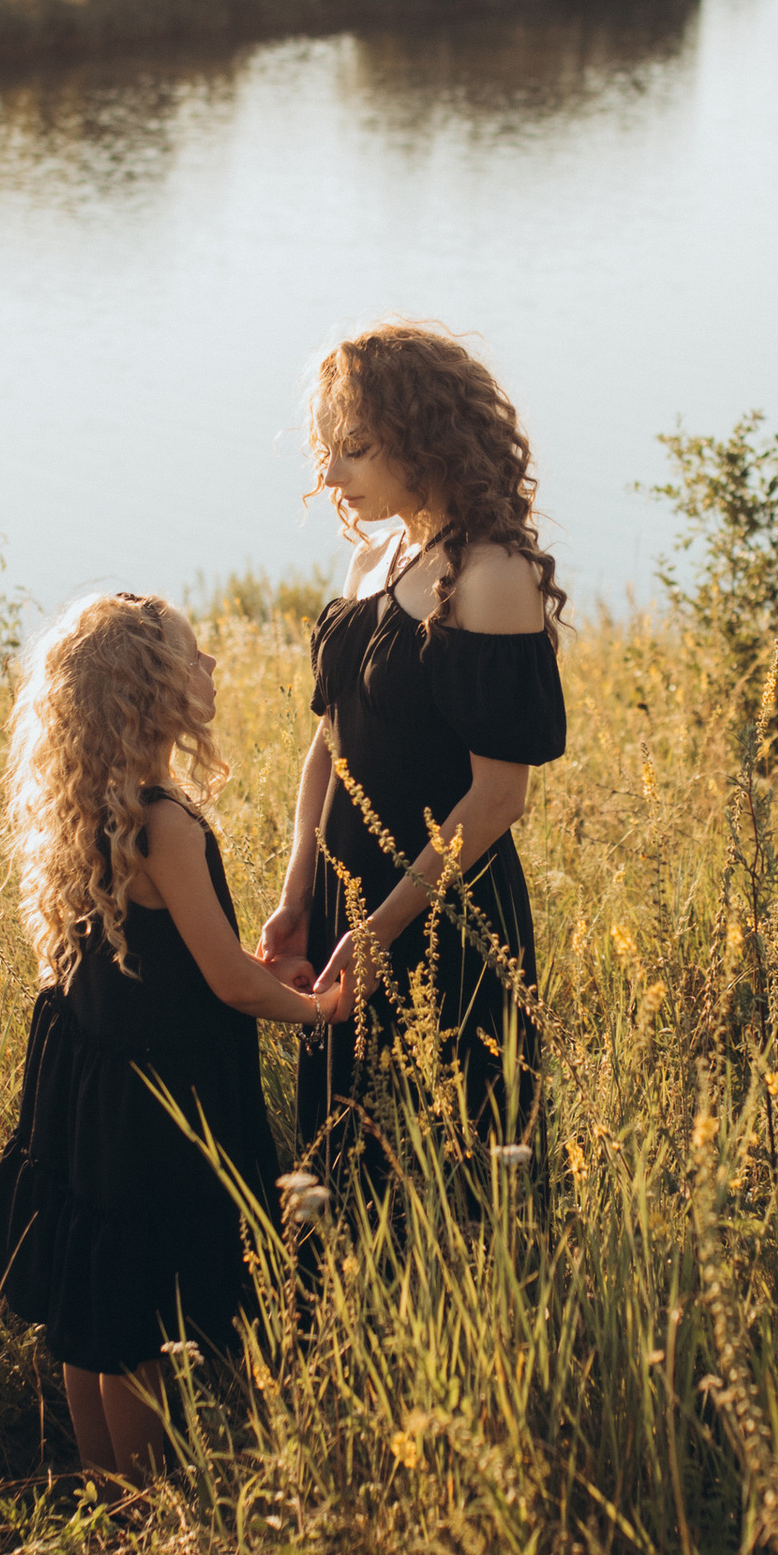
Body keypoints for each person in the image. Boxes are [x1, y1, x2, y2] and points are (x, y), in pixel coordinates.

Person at [0, 590, 341, 1493]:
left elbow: (174, 959)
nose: (212, 669)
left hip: (91, 1081)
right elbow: (226, 978)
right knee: (143, 1322)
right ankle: (144, 1508)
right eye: (194, 659)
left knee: (97, 1307)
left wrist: (266, 979)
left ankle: (105, 1489)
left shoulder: (86, 804)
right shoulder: (165, 823)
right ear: (149, 693)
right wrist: (322, 1008)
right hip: (159, 1098)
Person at [258, 323, 568, 1189]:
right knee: (343, 1162)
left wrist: (382, 928)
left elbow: (499, 797)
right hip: (345, 902)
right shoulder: (372, 558)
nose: (330, 476)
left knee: (455, 1167)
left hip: (445, 915)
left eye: (353, 450)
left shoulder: (489, 574)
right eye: (326, 451)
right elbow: (331, 743)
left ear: (423, 437)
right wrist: (298, 895)